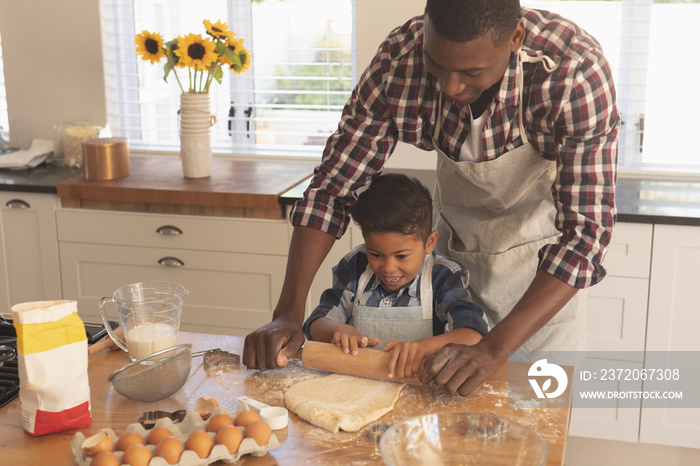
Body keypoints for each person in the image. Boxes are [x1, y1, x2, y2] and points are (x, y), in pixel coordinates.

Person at [243, 0, 619, 396]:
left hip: (540, 282)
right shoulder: (398, 61)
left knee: (531, 432)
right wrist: (287, 313)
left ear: (516, 38)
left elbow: (584, 237)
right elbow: (333, 189)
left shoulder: (573, 74)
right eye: (435, 65)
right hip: (454, 258)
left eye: (472, 72)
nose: (449, 87)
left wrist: (493, 347)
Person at [304, 173, 488, 380]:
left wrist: (426, 347)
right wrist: (337, 331)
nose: (389, 268)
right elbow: (316, 322)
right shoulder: (355, 266)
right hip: (358, 383)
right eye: (376, 254)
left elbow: (473, 333)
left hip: (418, 385)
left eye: (401, 256)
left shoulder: (443, 276)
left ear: (430, 242)